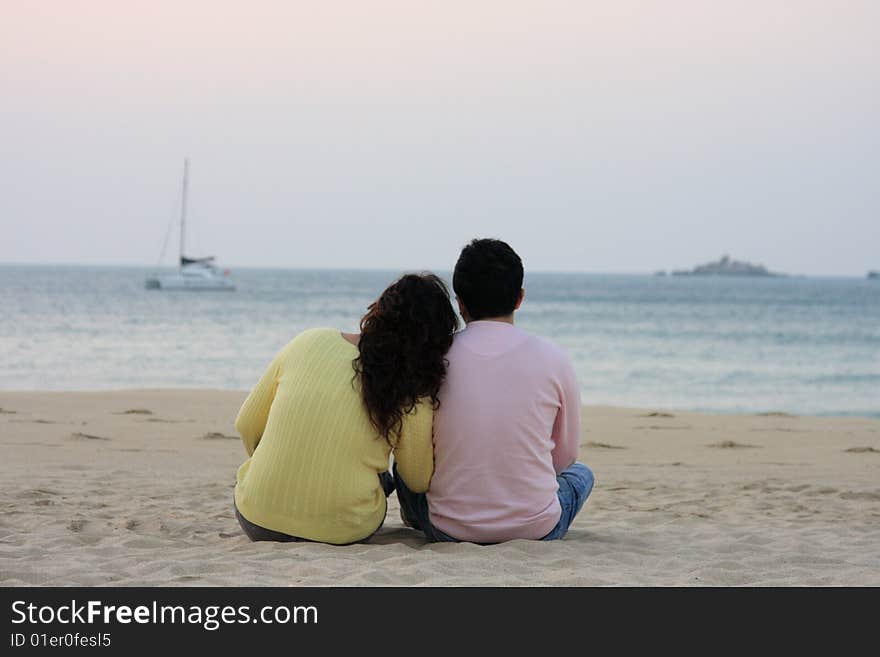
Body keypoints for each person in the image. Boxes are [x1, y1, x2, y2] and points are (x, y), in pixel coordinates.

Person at [233, 273, 458, 544]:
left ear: (378, 310)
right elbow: (417, 479)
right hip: (341, 530)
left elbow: (245, 425)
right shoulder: (413, 390)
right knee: (381, 478)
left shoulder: (309, 340)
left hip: (257, 519)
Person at [394, 239, 594, 543]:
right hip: (536, 527)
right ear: (520, 298)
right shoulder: (554, 358)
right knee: (581, 474)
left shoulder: (436, 357)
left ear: (459, 302)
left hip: (448, 528)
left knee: (405, 468)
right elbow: (564, 458)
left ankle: (414, 518)